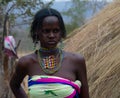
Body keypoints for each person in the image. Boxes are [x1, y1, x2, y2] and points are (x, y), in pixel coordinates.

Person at [10, 8, 90, 98]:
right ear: (37, 32)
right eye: (46, 31)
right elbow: (14, 85)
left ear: (61, 33)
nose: (51, 35)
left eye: (56, 31)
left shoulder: (76, 61)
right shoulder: (26, 62)